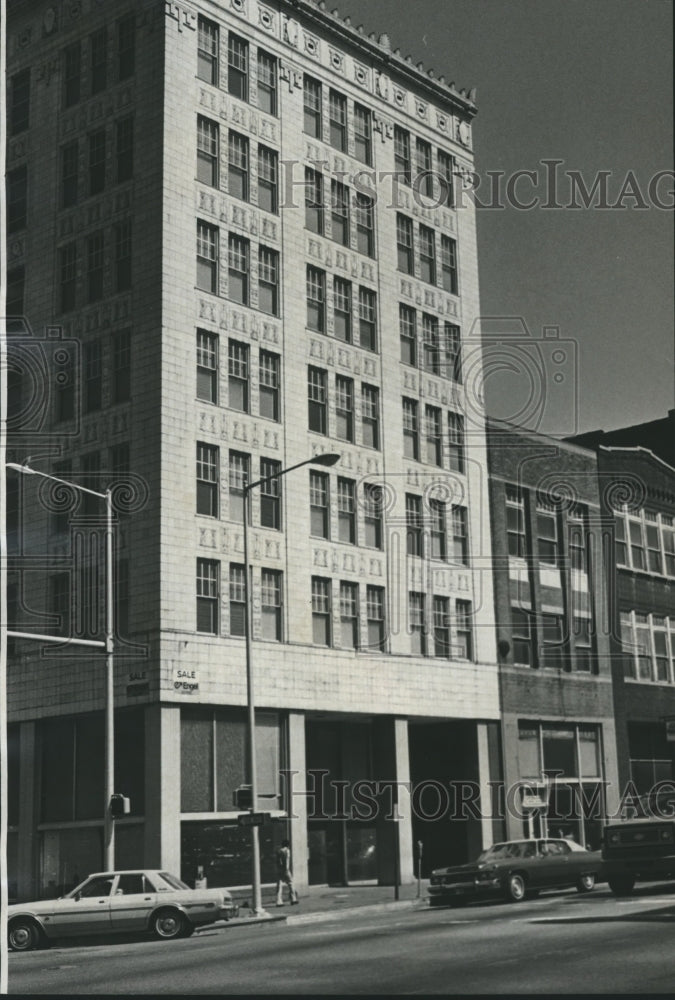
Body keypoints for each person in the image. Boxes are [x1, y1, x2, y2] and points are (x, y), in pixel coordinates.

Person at [275, 839, 299, 906]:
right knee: (291, 883)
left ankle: (278, 901)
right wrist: (286, 869)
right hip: (285, 870)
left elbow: (277, 861)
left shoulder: (278, 851)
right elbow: (287, 861)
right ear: (287, 845)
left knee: (279, 886)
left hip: (279, 870)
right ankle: (293, 899)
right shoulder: (287, 851)